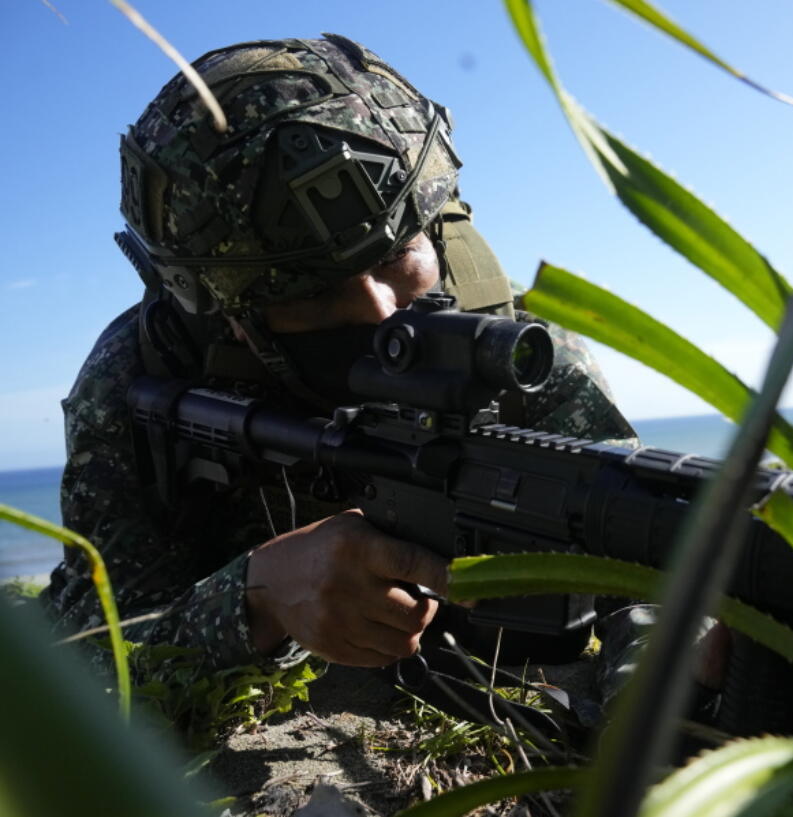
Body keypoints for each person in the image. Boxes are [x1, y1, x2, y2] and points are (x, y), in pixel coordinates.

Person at [42, 34, 636, 674]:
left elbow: (638, 552)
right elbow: (85, 657)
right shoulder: (143, 374)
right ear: (230, 314)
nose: (381, 312)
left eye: (394, 256)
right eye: (315, 293)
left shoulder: (509, 350)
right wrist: (254, 600)